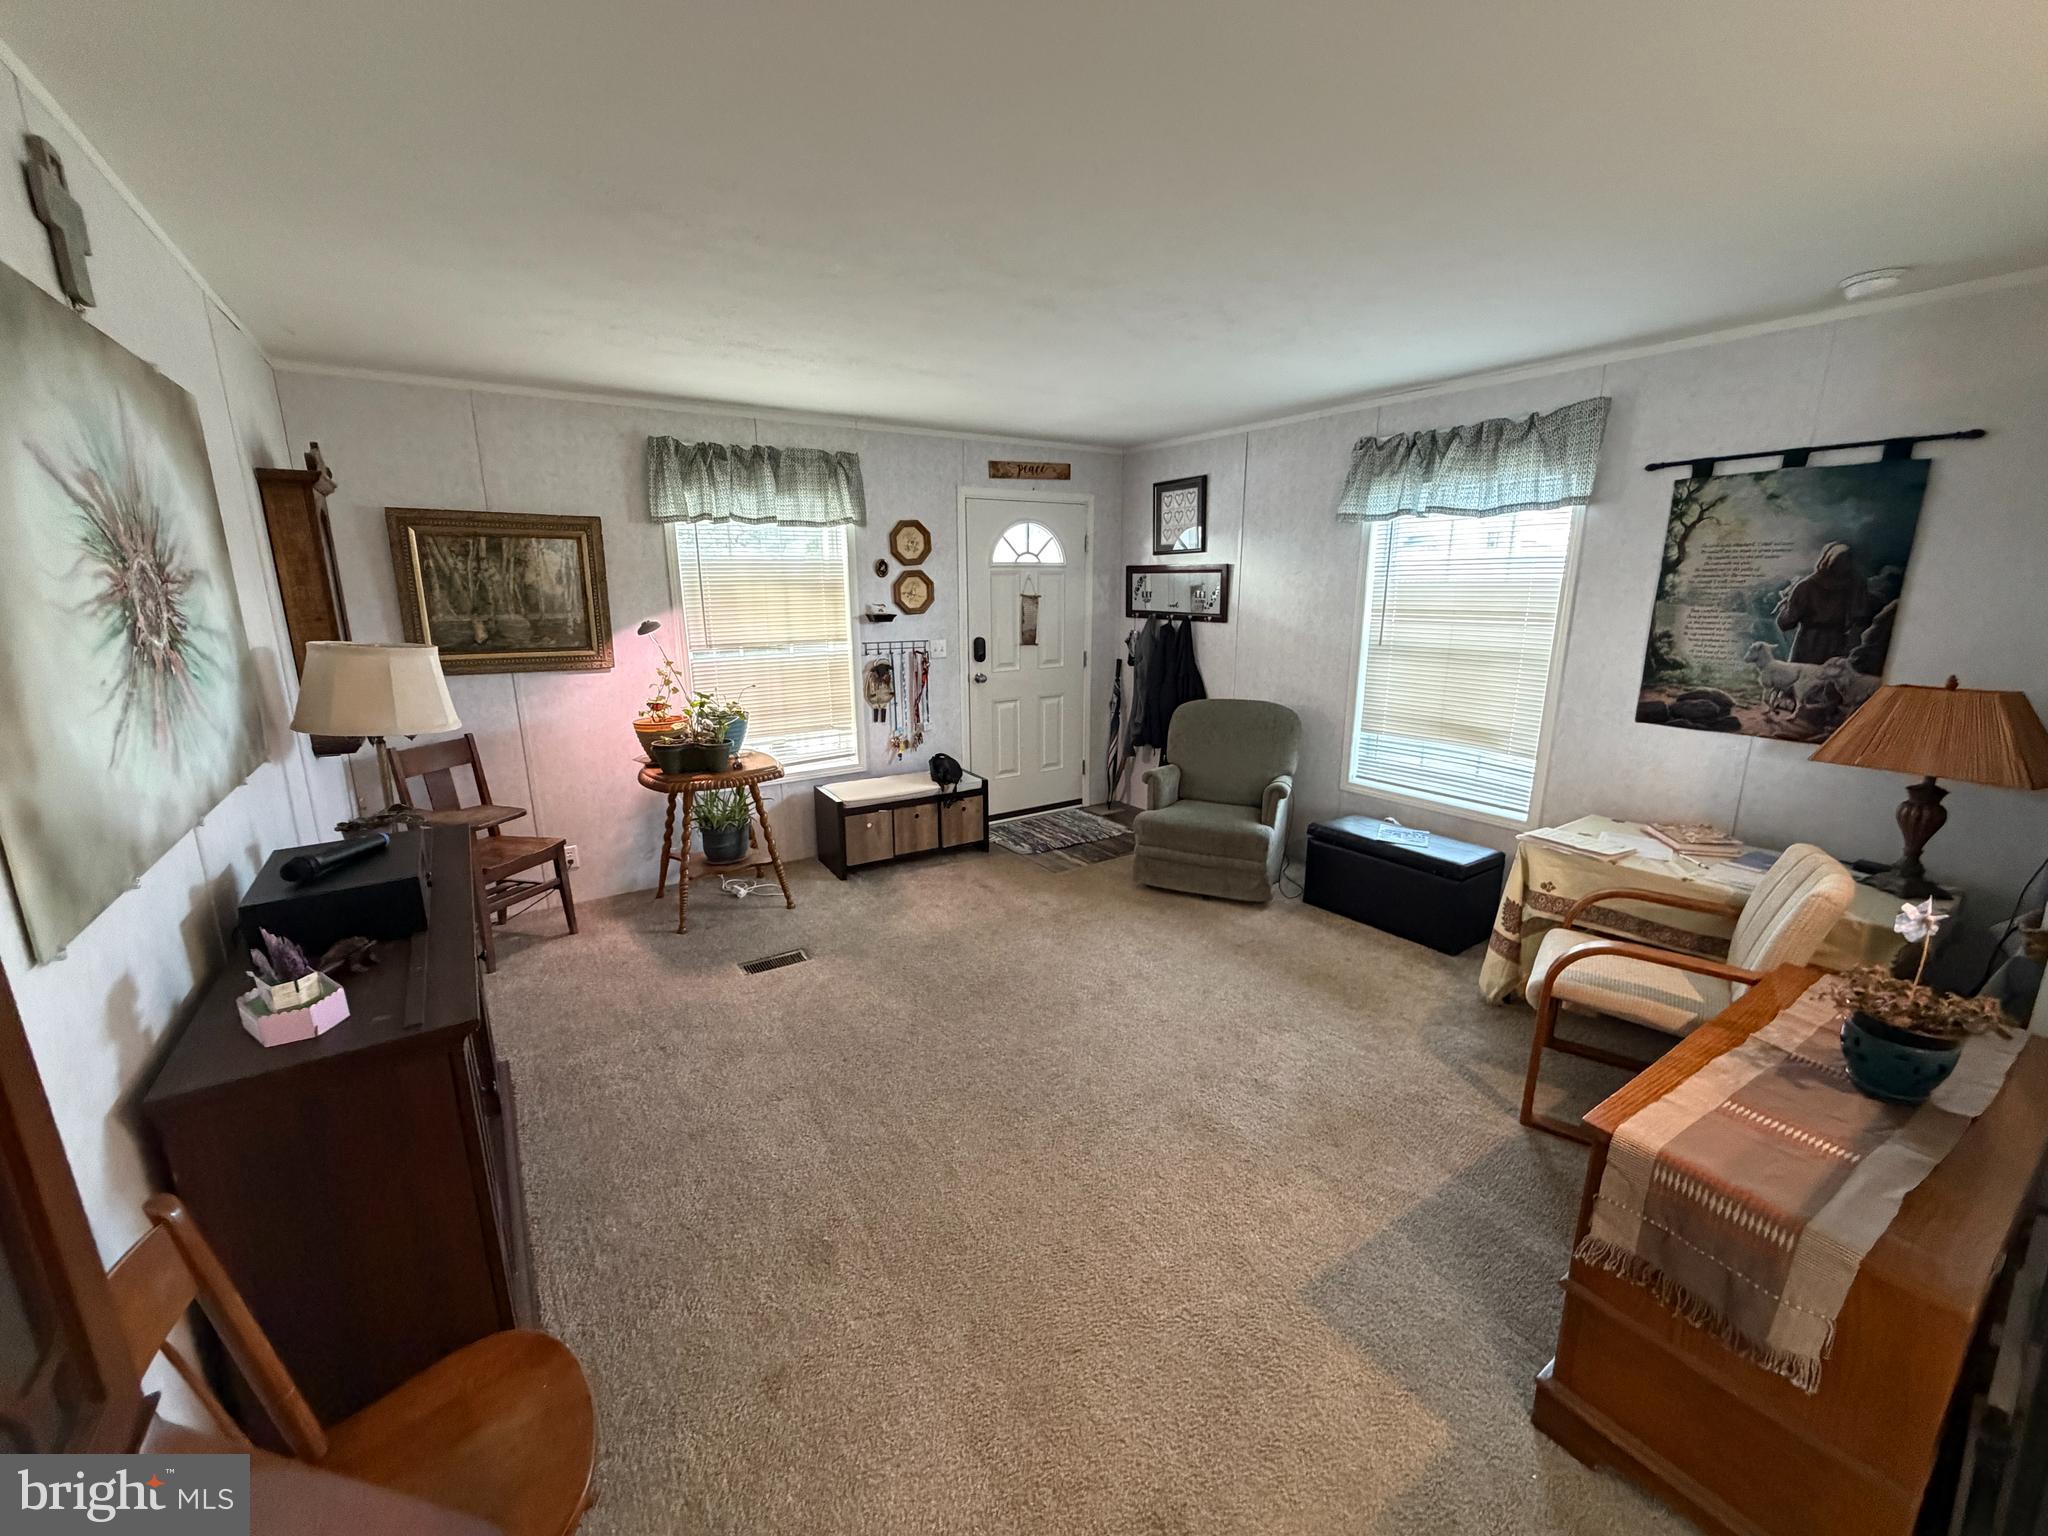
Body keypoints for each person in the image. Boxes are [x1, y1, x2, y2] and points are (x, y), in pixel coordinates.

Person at [1774, 542, 1873, 664]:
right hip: (1840, 649)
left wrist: (1787, 605)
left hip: (1808, 649)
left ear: (1824, 560)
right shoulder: (1856, 584)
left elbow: (1786, 623)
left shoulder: (1805, 586)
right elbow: (1860, 619)